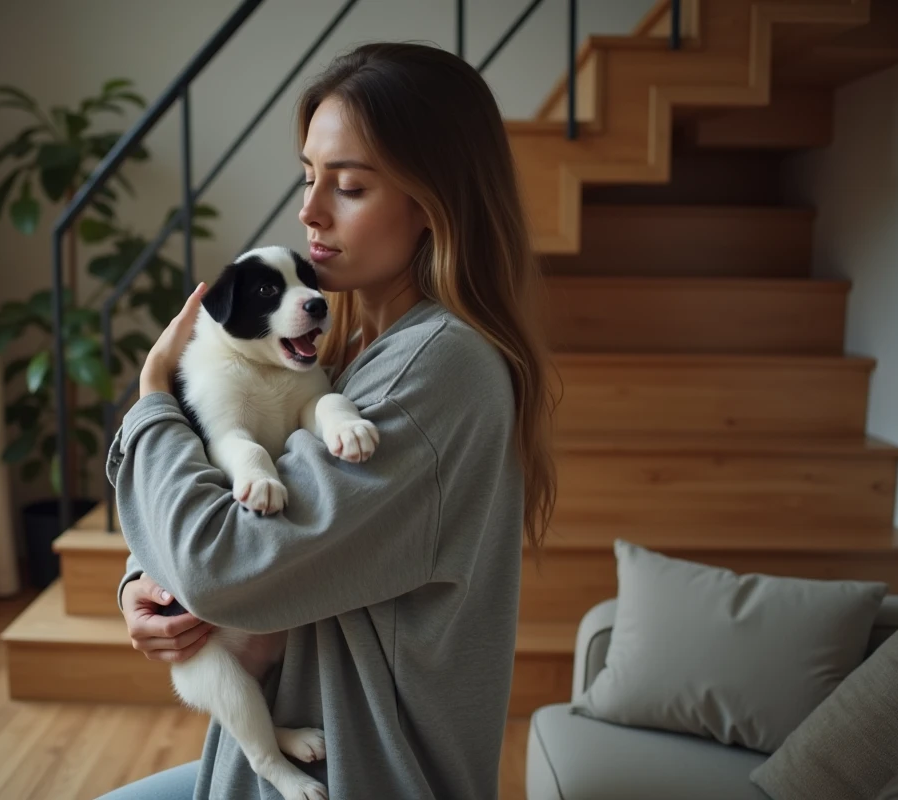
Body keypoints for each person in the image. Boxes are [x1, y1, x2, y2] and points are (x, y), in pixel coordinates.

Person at [98, 41, 556, 800]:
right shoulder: (337, 351)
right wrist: (142, 589)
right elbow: (212, 507)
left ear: (433, 203)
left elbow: (220, 564)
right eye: (309, 177)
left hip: (358, 772)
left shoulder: (433, 369)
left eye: (347, 186)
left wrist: (152, 396)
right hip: (288, 750)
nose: (309, 210)